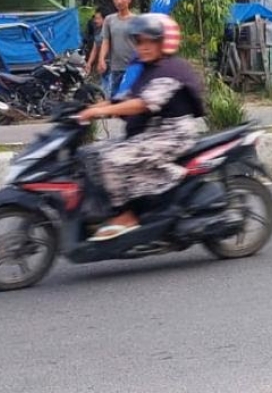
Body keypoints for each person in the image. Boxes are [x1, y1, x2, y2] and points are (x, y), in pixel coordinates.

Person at [77, 13, 206, 241]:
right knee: (95, 153)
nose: (144, 47)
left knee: (112, 160)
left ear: (163, 42)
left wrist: (100, 111)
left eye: (150, 42)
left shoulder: (171, 71)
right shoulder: (149, 68)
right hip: (155, 132)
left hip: (173, 135)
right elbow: (123, 99)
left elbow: (141, 104)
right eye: (140, 42)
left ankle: (127, 215)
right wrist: (87, 109)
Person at [93, 0, 137, 98]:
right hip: (116, 67)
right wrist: (101, 59)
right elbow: (106, 41)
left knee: (132, 98)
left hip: (133, 67)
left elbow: (142, 43)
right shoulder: (109, 20)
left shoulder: (137, 20)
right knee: (115, 98)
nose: (119, 1)